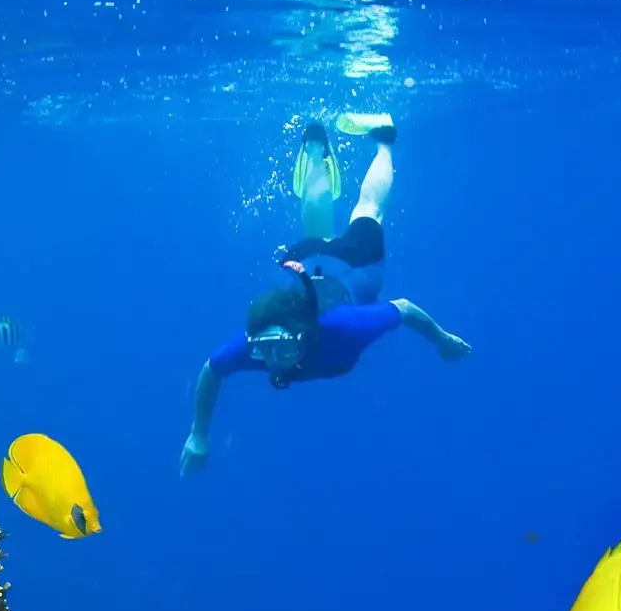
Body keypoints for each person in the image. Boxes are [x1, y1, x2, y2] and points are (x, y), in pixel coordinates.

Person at [178, 114, 470, 475]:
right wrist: (198, 434)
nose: (272, 360)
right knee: (352, 217)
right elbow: (211, 370)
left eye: (281, 348)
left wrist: (441, 339)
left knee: (368, 211)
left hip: (354, 268)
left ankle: (373, 141)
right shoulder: (262, 343)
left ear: (304, 336)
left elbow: (405, 308)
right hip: (309, 263)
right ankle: (335, 148)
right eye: (266, 349)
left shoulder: (343, 326)